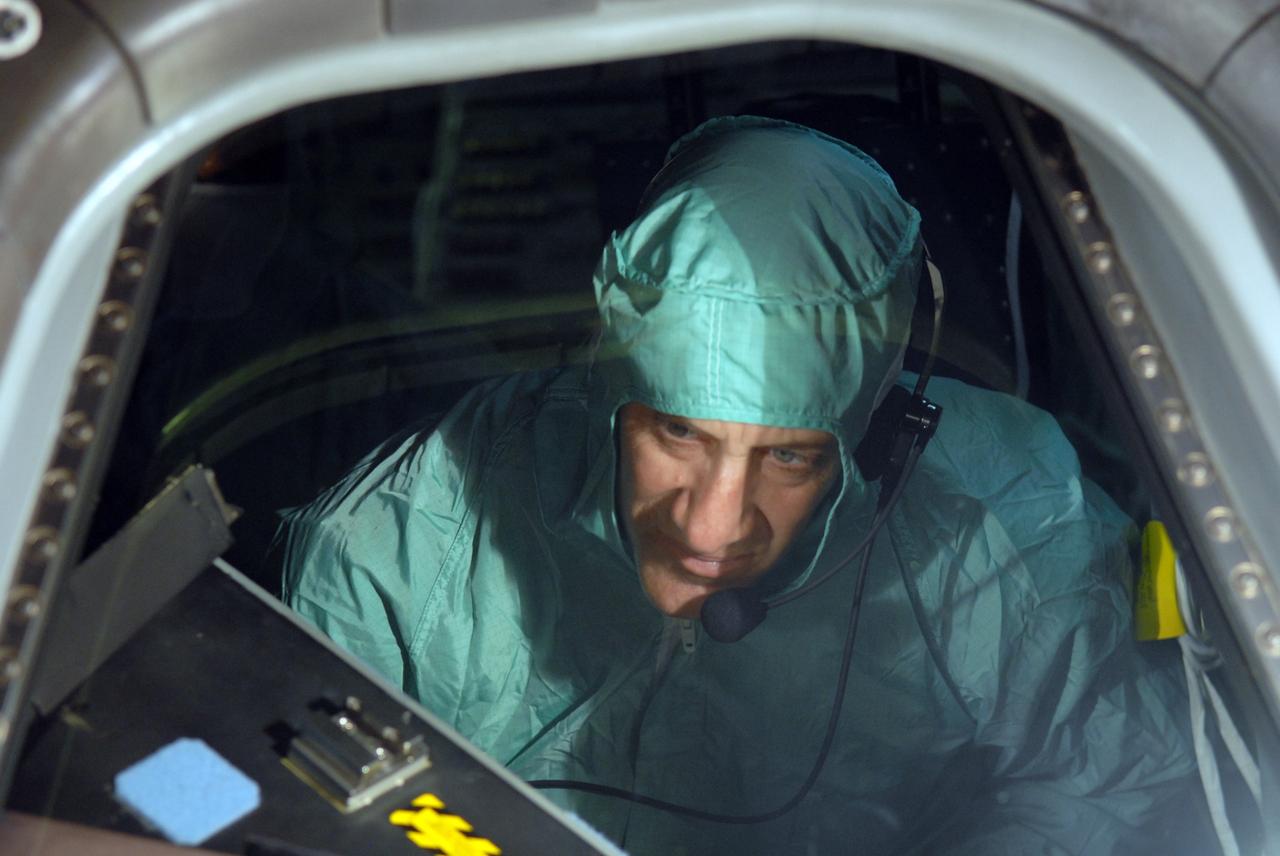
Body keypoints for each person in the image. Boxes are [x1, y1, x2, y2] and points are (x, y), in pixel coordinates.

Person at [282, 116, 1196, 854]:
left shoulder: (1008, 526)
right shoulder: (401, 552)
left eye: (790, 457)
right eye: (677, 432)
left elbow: (1114, 787)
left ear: (876, 428)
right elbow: (306, 808)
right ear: (609, 387)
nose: (711, 528)